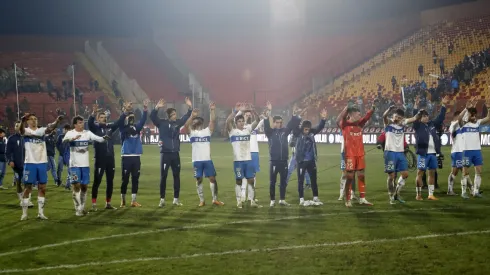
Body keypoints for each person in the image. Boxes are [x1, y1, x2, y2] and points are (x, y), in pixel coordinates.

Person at [20, 113, 63, 220]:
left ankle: (40, 213)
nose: (34, 121)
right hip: (30, 163)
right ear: (27, 121)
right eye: (31, 119)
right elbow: (20, 130)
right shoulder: (26, 131)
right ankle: (24, 213)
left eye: (35, 119)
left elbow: (50, 127)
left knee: (42, 188)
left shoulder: (41, 130)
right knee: (28, 188)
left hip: (42, 163)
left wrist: (57, 121)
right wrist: (22, 121)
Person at [63, 116, 109, 216]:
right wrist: (72, 139)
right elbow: (64, 141)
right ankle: (78, 209)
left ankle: (82, 207)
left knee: (84, 187)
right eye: (79, 123)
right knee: (76, 185)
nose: (82, 124)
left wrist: (104, 138)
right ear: (75, 124)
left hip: (85, 165)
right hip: (74, 165)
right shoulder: (70, 133)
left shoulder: (87, 133)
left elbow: (98, 139)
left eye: (82, 122)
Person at [151, 97, 192, 207]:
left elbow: (186, 117)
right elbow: (152, 117)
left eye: (175, 114)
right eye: (173, 114)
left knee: (176, 176)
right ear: (169, 116)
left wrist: (190, 107)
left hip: (175, 154)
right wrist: (156, 108)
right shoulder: (161, 123)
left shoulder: (177, 123)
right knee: (163, 176)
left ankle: (176, 199)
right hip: (165, 154)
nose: (175, 116)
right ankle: (162, 199)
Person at [184, 102, 224, 206]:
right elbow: (186, 125)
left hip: (207, 159)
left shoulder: (207, 131)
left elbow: (213, 121)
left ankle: (215, 199)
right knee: (199, 179)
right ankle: (202, 200)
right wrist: (192, 116)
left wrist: (212, 110)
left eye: (195, 121)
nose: (193, 123)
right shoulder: (192, 133)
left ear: (200, 123)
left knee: (212, 179)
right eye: (193, 121)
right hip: (196, 160)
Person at [88, 103, 125, 210]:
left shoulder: (109, 128)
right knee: (97, 181)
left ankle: (108, 203)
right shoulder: (95, 129)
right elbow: (90, 123)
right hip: (100, 159)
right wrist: (93, 113)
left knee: (110, 181)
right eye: (101, 117)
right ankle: (94, 204)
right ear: (98, 119)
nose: (104, 119)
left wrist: (124, 113)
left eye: (105, 117)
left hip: (110, 159)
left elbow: (118, 123)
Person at [263, 101, 301, 207]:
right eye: (277, 122)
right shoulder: (270, 132)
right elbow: (266, 125)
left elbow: (291, 123)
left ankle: (282, 199)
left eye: (280, 122)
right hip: (274, 161)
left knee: (283, 182)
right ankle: (272, 200)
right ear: (274, 123)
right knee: (272, 182)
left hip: (284, 161)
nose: (279, 124)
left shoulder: (285, 131)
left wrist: (294, 114)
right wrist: (268, 113)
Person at [411, 95, 448, 200]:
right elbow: (414, 117)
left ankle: (430, 194)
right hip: (423, 154)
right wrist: (416, 106)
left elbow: (440, 117)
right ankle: (418, 194)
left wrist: (443, 105)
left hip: (433, 154)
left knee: (432, 173)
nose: (426, 117)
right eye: (423, 116)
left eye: (427, 115)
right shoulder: (417, 125)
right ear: (420, 118)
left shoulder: (432, 124)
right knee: (420, 173)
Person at [338, 104, 375, 207]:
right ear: (351, 115)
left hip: (360, 154)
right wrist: (346, 108)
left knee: (362, 176)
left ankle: (362, 198)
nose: (360, 115)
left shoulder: (360, 124)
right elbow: (341, 117)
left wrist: (372, 109)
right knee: (349, 177)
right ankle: (348, 199)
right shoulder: (345, 125)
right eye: (358, 114)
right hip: (350, 155)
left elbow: (367, 117)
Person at [382, 106, 419, 204]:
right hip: (390, 152)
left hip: (400, 153)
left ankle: (396, 194)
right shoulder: (388, 123)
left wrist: (420, 112)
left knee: (405, 174)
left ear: (402, 118)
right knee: (391, 176)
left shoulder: (403, 124)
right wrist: (389, 109)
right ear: (393, 116)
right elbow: (384, 116)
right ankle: (391, 195)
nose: (397, 118)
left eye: (399, 117)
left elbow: (414, 118)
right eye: (396, 116)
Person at [225, 107, 261, 208]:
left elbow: (257, 121)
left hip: (248, 160)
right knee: (239, 181)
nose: (241, 123)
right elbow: (228, 121)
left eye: (242, 121)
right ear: (236, 122)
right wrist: (236, 111)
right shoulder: (232, 131)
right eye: (239, 121)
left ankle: (252, 201)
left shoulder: (248, 129)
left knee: (251, 180)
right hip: (238, 161)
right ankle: (239, 200)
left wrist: (255, 112)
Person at [294, 108, 328, 206]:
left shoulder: (312, 132)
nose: (307, 131)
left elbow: (320, 127)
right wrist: (299, 116)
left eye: (308, 129)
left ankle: (315, 197)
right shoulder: (298, 133)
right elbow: (294, 125)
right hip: (301, 161)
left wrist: (323, 118)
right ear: (302, 128)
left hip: (311, 161)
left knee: (314, 179)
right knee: (300, 180)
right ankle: (301, 199)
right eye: (305, 129)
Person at [118, 100, 148, 207]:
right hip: (126, 157)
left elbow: (143, 120)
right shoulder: (123, 129)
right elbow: (120, 121)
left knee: (135, 178)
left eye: (132, 116)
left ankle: (133, 200)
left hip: (136, 157)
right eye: (129, 117)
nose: (131, 118)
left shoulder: (137, 127)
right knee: (125, 179)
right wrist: (126, 111)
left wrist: (145, 109)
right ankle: (123, 200)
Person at [458, 98, 490, 198]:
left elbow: (488, 118)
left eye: (475, 114)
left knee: (479, 171)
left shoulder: (477, 123)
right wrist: (466, 109)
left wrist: (489, 108)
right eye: (472, 114)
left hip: (477, 151)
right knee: (465, 171)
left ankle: (476, 191)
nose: (474, 116)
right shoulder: (463, 124)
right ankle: (463, 192)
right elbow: (459, 118)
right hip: (467, 151)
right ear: (469, 115)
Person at [235, 103, 262, 201]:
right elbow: (236, 118)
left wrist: (254, 112)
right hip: (245, 153)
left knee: (253, 175)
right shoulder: (240, 128)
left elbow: (260, 120)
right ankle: (243, 195)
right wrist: (241, 110)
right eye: (246, 115)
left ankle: (252, 197)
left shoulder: (252, 126)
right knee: (244, 175)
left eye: (249, 115)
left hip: (255, 153)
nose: (248, 116)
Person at [6, 121, 33, 206]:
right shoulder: (11, 138)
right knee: (18, 182)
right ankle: (22, 200)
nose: (18, 127)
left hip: (27, 164)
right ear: (14, 127)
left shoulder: (26, 137)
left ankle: (27, 200)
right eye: (16, 125)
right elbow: (8, 152)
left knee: (27, 183)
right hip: (16, 165)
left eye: (20, 126)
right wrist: (10, 161)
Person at [448, 110, 473, 196]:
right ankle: (471, 190)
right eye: (460, 117)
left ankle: (471, 189)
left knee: (460, 171)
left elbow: (467, 119)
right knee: (461, 171)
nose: (462, 119)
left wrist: (470, 110)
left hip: (462, 151)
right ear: (456, 117)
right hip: (457, 152)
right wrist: (465, 109)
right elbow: (459, 119)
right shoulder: (453, 125)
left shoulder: (461, 126)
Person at [56, 124, 72, 189]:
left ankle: (68, 184)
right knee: (59, 169)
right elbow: (57, 144)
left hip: (69, 156)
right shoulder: (60, 136)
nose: (63, 130)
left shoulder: (71, 137)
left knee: (70, 170)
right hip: (61, 155)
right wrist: (61, 150)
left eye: (64, 129)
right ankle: (59, 181)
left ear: (67, 130)